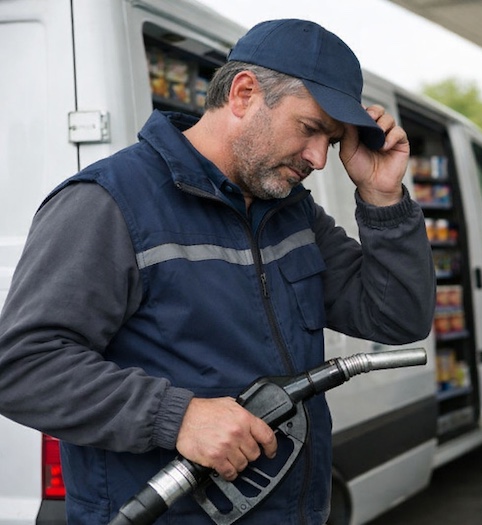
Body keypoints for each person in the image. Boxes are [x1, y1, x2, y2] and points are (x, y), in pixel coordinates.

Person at [0, 18, 435, 524]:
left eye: (333, 140)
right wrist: (177, 417)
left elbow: (397, 318)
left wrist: (383, 197)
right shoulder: (110, 202)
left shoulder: (293, 213)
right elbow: (22, 365)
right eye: (310, 128)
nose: (319, 159)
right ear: (244, 94)